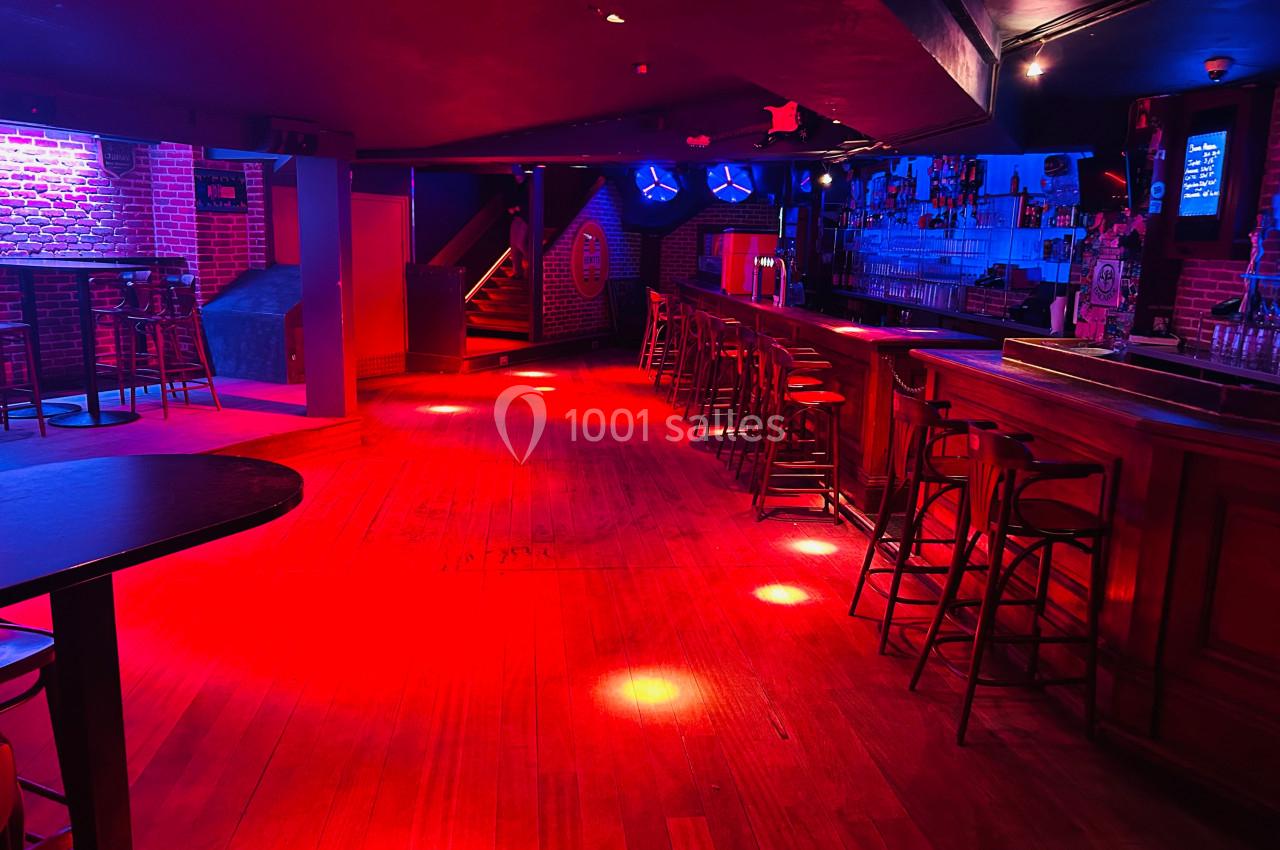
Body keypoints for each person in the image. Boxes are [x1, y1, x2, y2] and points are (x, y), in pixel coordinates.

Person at [507, 169, 529, 279]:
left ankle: (534, 265)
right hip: (517, 217)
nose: (517, 177)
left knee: (520, 243)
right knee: (514, 245)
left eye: (519, 175)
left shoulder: (528, 186)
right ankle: (517, 272)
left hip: (525, 218)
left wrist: (517, 208)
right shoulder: (516, 187)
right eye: (516, 175)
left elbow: (527, 203)